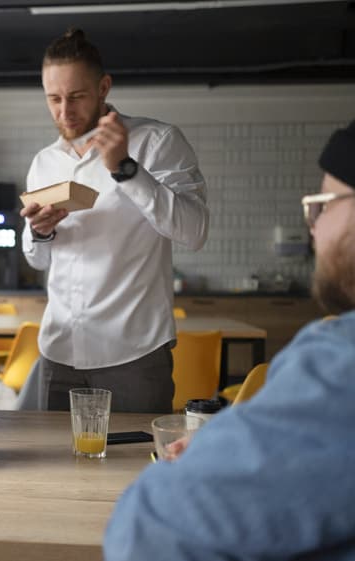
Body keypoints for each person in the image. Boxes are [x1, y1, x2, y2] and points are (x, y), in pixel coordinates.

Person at [104, 121, 355, 560]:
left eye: (322, 205)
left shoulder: (339, 366)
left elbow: (148, 529)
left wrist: (219, 457)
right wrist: (230, 445)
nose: (313, 229)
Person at [20, 28, 208, 413]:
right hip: (59, 351)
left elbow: (195, 231)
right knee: (53, 455)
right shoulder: (44, 163)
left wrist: (125, 168)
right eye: (53, 98)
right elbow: (37, 259)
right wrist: (41, 232)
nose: (64, 112)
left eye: (76, 96)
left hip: (134, 354)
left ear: (103, 87)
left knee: (135, 455)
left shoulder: (157, 142)